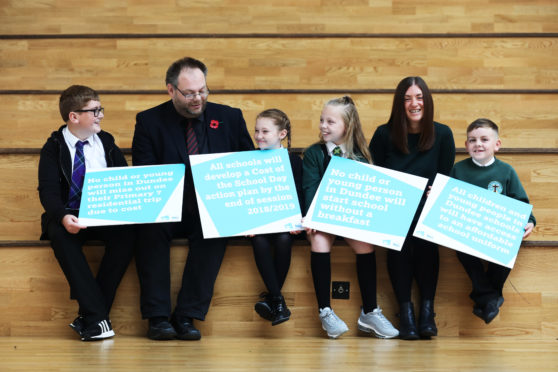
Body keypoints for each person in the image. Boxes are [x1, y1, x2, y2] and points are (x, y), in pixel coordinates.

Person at [132, 57, 254, 340]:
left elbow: (247, 165)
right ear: (171, 90)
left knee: (217, 226)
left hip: (211, 206)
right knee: (150, 226)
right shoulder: (148, 121)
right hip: (169, 206)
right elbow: (147, 174)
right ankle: (158, 317)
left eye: (202, 90)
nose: (198, 98)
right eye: (189, 93)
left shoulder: (230, 117)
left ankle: (187, 316)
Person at [38, 85, 135, 341]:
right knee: (59, 235)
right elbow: (47, 191)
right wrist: (61, 216)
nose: (100, 115)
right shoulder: (53, 147)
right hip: (68, 213)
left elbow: (123, 180)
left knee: (128, 235)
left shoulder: (106, 141)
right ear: (74, 116)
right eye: (95, 111)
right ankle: (98, 318)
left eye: (100, 109)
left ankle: (92, 316)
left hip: (104, 211)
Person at [302, 96, 399, 339]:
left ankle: (369, 311)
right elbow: (310, 188)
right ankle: (325, 310)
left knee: (365, 244)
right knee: (319, 240)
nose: (323, 125)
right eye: (322, 120)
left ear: (347, 125)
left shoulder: (360, 155)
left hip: (349, 218)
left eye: (330, 122)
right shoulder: (314, 153)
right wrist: (312, 218)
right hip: (323, 217)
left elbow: (367, 195)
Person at [369, 77, 455, 340]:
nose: (414, 103)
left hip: (428, 210)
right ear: (399, 103)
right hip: (395, 211)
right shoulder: (384, 134)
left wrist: (435, 193)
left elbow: (445, 176)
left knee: (427, 242)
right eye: (407, 98)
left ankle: (427, 313)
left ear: (426, 101)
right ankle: (405, 313)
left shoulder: (443, 134)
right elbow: (376, 175)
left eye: (418, 97)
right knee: (400, 241)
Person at [451, 118, 536, 324]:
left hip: (496, 231)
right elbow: (448, 200)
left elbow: (521, 202)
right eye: (472, 140)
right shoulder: (458, 170)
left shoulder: (506, 171)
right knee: (456, 241)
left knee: (513, 237)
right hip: (467, 230)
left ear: (496, 145)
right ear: (466, 146)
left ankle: (485, 296)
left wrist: (530, 221)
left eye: (484, 139)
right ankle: (490, 298)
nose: (478, 144)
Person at [250, 109, 303, 326]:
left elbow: (300, 193)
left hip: (286, 225)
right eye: (256, 130)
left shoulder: (294, 161)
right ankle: (278, 301)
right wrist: (243, 221)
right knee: (259, 240)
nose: (259, 135)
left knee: (282, 240)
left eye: (265, 131)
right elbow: (245, 195)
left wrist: (298, 220)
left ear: (282, 134)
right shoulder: (249, 159)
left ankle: (272, 299)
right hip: (259, 223)